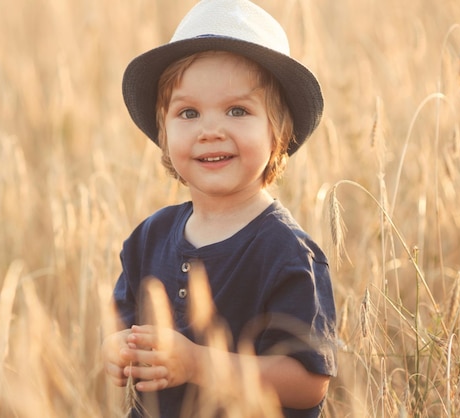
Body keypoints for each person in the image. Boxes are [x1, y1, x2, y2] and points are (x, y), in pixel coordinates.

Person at [102, 0, 337, 417]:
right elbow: (122, 324)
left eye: (237, 110)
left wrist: (196, 364)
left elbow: (308, 384)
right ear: (164, 131)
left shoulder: (286, 252)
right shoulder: (149, 238)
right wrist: (117, 348)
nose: (211, 131)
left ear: (277, 132)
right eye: (188, 112)